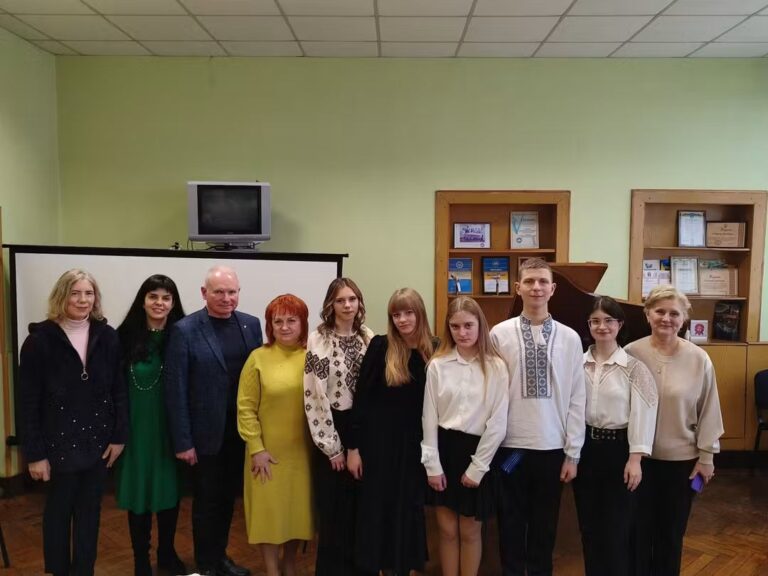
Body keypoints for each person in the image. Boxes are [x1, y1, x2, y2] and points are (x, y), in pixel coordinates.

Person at [19, 269, 127, 576]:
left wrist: (119, 437)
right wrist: (35, 454)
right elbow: (28, 403)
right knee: (57, 514)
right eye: (75, 293)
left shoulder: (108, 337)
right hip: (57, 446)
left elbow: (119, 390)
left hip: (98, 443)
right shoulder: (38, 341)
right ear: (61, 296)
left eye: (88, 293)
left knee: (90, 515)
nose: (82, 300)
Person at [490, 257, 586, 576]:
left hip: (552, 449)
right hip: (511, 449)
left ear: (553, 289)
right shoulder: (498, 334)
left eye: (543, 281)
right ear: (517, 287)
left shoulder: (570, 338)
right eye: (529, 281)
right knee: (510, 523)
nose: (536, 287)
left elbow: (577, 399)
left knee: (545, 527)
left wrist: (573, 454)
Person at [165, 265, 262, 576]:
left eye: (232, 292)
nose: (226, 298)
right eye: (219, 292)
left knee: (227, 501)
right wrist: (183, 441)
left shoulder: (251, 325)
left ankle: (220, 558)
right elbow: (176, 390)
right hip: (204, 436)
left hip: (240, 433)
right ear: (204, 293)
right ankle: (206, 565)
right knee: (206, 504)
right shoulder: (185, 330)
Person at [625, 285, 724, 576]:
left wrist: (707, 456)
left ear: (684, 319)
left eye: (674, 313)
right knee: (637, 532)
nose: (666, 318)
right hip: (638, 461)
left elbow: (709, 409)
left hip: (682, 463)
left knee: (671, 533)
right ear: (647, 315)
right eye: (659, 311)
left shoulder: (699, 358)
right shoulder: (631, 353)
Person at [347, 287, 436, 576]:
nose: (402, 320)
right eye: (396, 314)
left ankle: (403, 568)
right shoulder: (380, 347)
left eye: (408, 313)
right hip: (379, 446)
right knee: (379, 511)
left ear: (420, 314)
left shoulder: (435, 349)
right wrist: (353, 448)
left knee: (409, 510)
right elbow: (362, 399)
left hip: (416, 447)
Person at [422, 296, 509, 576]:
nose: (462, 332)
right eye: (455, 326)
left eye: (468, 325)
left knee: (470, 531)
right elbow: (429, 418)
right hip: (444, 450)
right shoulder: (438, 365)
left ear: (480, 325)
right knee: (447, 530)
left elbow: (498, 423)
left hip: (477, 451)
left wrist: (478, 467)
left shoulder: (496, 367)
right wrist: (432, 466)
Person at [572, 296, 658, 576]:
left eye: (609, 320)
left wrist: (635, 459)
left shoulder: (634, 368)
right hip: (585, 449)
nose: (602, 326)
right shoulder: (577, 364)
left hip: (619, 452)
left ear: (620, 324)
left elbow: (644, 414)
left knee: (616, 528)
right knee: (588, 526)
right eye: (595, 321)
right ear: (588, 325)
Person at [115, 275, 187, 576]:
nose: (159, 303)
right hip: (135, 430)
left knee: (168, 493)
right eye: (153, 297)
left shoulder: (182, 336)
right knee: (139, 496)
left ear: (173, 303)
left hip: (170, 430)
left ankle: (167, 553)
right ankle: (140, 560)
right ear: (142, 301)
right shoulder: (123, 337)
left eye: (166, 298)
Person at [238, 294, 314, 576]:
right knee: (268, 517)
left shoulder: (312, 357)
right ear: (269, 325)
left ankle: (289, 565)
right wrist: (257, 448)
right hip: (267, 454)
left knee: (297, 515)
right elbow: (246, 407)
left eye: (291, 320)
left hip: (303, 454)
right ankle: (272, 570)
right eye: (277, 321)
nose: (284, 327)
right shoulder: (258, 358)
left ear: (302, 323)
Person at [303, 278, 374, 576]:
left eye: (352, 299)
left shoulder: (368, 337)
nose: (347, 305)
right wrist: (332, 448)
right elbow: (314, 394)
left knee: (363, 510)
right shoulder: (318, 339)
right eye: (340, 300)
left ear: (359, 302)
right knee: (334, 512)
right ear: (330, 304)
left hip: (364, 430)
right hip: (331, 426)